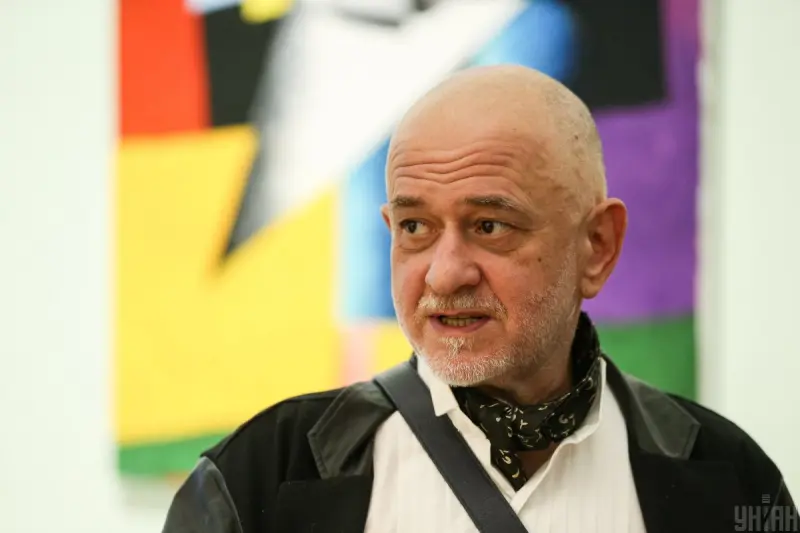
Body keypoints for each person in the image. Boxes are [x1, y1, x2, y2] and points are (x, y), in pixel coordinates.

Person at [161, 65, 796, 533]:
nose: (443, 275)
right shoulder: (262, 480)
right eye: (415, 227)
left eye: (490, 226)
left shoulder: (727, 481)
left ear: (597, 246)